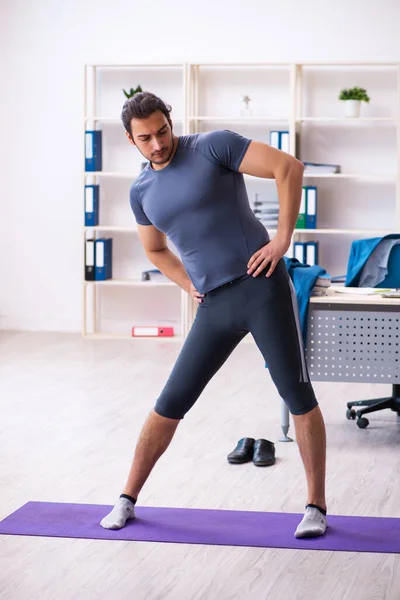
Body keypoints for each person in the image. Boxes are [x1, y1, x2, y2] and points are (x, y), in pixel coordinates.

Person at [100, 92, 327, 538]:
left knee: (297, 395)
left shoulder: (213, 146)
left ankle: (316, 506)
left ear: (171, 122)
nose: (158, 144)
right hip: (214, 304)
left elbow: (289, 167)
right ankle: (126, 498)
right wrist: (189, 284)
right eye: (145, 138)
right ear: (131, 140)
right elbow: (154, 250)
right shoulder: (141, 191)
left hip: (261, 287)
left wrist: (283, 240)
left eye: (163, 131)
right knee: (170, 402)